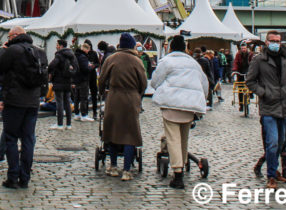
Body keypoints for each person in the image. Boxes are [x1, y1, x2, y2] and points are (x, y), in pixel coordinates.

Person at [149, 34, 208, 188]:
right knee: (183, 138)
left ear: (171, 47)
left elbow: (155, 81)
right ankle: (184, 161)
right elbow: (204, 84)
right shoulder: (194, 64)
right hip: (190, 106)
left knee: (173, 139)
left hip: (171, 104)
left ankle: (178, 172)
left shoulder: (167, 62)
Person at [0, 26, 47, 189]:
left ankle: (13, 176)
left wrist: (2, 51)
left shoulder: (13, 50)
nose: (7, 40)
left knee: (11, 138)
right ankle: (25, 177)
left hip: (14, 100)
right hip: (32, 101)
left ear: (15, 36)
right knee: (28, 139)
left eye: (8, 37)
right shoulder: (39, 52)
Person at [246, 31, 286, 189]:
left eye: (278, 41)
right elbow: (250, 81)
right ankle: (271, 176)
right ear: (266, 42)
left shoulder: (285, 60)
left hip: (284, 107)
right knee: (272, 143)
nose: (276, 43)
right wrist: (264, 92)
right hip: (268, 107)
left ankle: (275, 171)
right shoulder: (259, 60)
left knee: (281, 143)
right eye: (273, 40)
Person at [98, 33, 148, 181]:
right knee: (129, 135)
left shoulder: (111, 59)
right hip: (131, 99)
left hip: (114, 97)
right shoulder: (137, 61)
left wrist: (102, 93)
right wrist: (138, 95)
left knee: (113, 132)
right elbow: (143, 83)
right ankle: (126, 170)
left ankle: (113, 166)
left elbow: (101, 79)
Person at [48, 39, 78, 129]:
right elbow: (76, 67)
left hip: (58, 81)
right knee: (67, 102)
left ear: (60, 46)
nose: (56, 46)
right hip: (68, 81)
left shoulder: (59, 55)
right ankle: (68, 124)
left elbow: (52, 65)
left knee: (59, 103)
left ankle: (60, 124)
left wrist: (50, 72)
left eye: (57, 45)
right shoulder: (71, 55)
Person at [73, 41, 94, 122]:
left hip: (76, 79)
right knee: (83, 98)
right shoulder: (83, 57)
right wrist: (91, 67)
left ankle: (77, 114)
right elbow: (85, 69)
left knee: (76, 98)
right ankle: (84, 115)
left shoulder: (76, 56)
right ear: (86, 49)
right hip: (83, 79)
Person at [232, 43, 253, 113]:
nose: (243, 49)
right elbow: (236, 62)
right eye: (242, 48)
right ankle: (241, 104)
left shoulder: (250, 54)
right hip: (240, 72)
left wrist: (254, 70)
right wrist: (235, 70)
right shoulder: (238, 54)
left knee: (251, 83)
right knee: (240, 88)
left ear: (246, 48)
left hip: (249, 71)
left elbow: (253, 62)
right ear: (241, 49)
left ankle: (250, 93)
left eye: (244, 48)